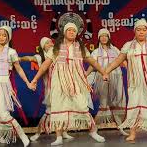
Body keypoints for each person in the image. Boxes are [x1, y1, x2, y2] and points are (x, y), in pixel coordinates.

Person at [30, 13, 108, 146]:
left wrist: (103, 72)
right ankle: (59, 136)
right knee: (59, 107)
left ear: (76, 33)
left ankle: (93, 131)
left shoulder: (80, 47)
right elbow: (45, 65)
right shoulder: (56, 47)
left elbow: (92, 61)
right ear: (64, 32)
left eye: (74, 31)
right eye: (69, 30)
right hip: (59, 82)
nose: (71, 32)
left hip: (76, 81)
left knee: (82, 106)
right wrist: (35, 79)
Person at [0, 26, 35, 147]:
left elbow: (18, 69)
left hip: (2, 85)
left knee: (3, 113)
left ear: (8, 37)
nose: (1, 37)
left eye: (4, 35)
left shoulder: (11, 52)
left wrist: (28, 83)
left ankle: (23, 136)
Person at [20, 37, 74, 141]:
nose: (50, 44)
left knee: (63, 110)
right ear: (42, 46)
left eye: (50, 42)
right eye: (47, 43)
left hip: (62, 87)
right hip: (50, 89)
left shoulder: (57, 53)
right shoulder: (41, 57)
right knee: (49, 112)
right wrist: (20, 59)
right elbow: (29, 58)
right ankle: (38, 133)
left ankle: (64, 132)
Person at [86, 28, 127, 136]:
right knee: (103, 103)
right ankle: (94, 129)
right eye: (101, 36)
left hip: (116, 77)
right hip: (102, 78)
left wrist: (129, 69)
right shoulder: (95, 52)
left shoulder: (115, 50)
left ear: (109, 38)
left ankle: (121, 127)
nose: (104, 38)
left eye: (106, 36)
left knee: (117, 102)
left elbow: (122, 60)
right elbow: (92, 65)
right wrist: (85, 74)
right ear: (99, 38)